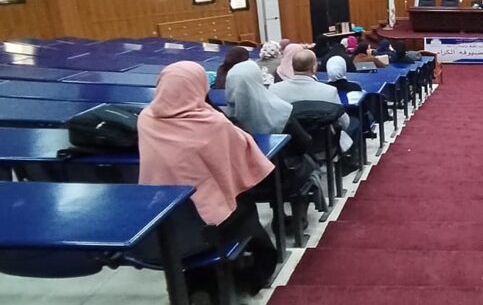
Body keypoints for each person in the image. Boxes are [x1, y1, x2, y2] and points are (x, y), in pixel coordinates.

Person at [138, 61, 278, 296]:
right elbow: (241, 155)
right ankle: (257, 273)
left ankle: (198, 281)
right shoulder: (213, 123)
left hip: (160, 217)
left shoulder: (146, 119)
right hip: (207, 222)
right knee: (244, 206)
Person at [270, 50, 354, 152]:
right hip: (324, 145)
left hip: (288, 146)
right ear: (314, 67)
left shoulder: (274, 89)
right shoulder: (328, 91)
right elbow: (344, 123)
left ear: (292, 66)